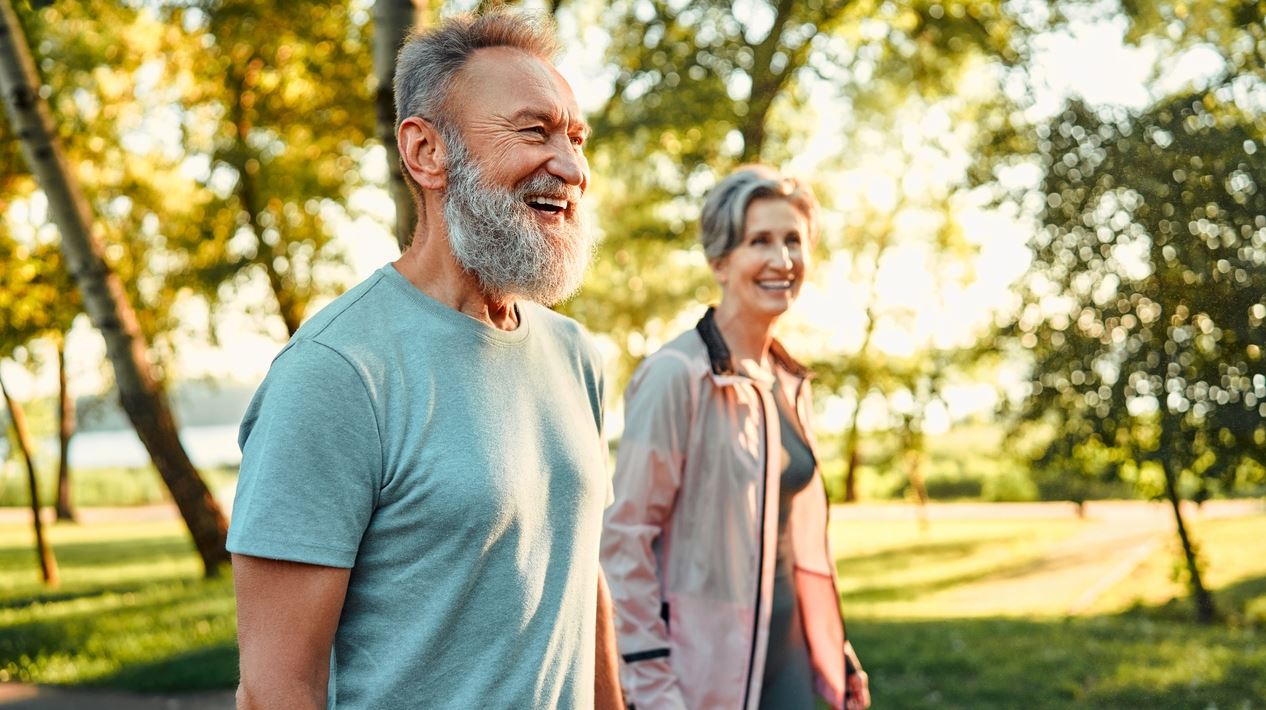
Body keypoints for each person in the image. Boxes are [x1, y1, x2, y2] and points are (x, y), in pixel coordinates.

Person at [227, 12, 621, 709]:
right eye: (534, 131)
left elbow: (578, 576)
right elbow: (275, 687)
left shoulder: (575, 355)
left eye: (576, 138)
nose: (572, 166)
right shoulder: (335, 373)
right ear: (426, 152)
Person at [601, 166, 871, 710]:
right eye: (760, 242)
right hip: (702, 673)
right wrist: (650, 684)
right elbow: (625, 539)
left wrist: (832, 647)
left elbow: (794, 538)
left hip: (788, 658)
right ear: (720, 261)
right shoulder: (677, 375)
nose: (782, 260)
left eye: (794, 240)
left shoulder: (791, 381)